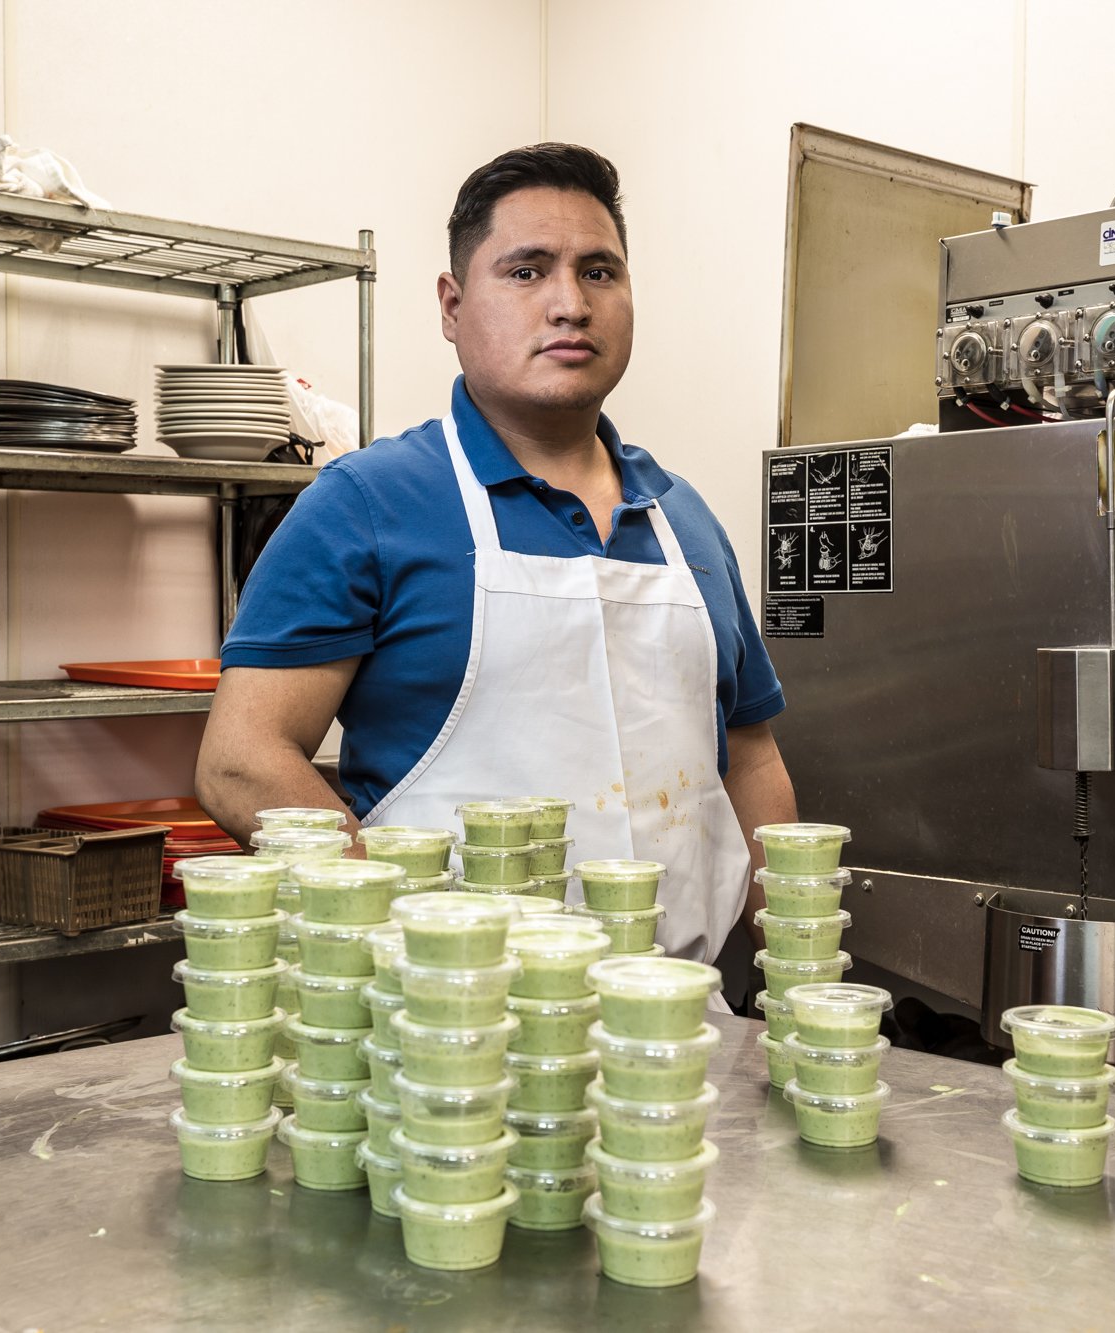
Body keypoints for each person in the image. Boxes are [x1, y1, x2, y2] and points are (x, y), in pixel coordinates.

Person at [196, 143, 796, 963]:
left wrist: (793, 970)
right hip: (449, 1031)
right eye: (526, 271)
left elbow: (753, 763)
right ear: (451, 305)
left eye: (599, 272)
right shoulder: (366, 505)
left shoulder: (683, 521)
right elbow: (241, 761)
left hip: (673, 1028)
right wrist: (408, 932)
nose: (569, 304)